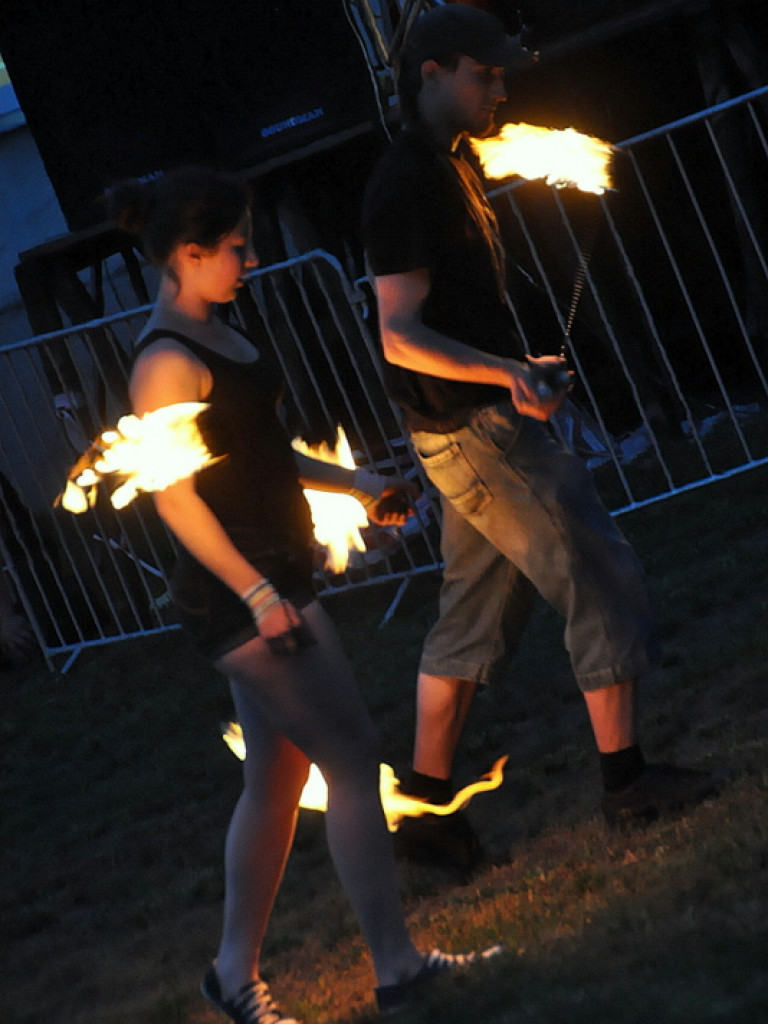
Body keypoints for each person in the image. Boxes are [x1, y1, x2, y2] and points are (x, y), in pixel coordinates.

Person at [115, 166, 498, 1024]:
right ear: (189, 253)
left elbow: (261, 452)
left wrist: (358, 483)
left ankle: (231, 974)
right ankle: (397, 970)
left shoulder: (215, 334)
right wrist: (256, 592)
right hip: (241, 594)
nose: (249, 259)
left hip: (271, 576)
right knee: (355, 760)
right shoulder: (166, 366)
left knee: (277, 783)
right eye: (236, 247)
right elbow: (175, 499)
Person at [362, 4, 720, 864]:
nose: (500, 86)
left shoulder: (449, 164)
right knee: (600, 574)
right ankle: (628, 786)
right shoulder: (406, 181)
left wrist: (512, 361)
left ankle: (429, 812)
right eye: (484, 73)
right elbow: (398, 333)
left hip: (465, 428)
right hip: (478, 436)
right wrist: (507, 377)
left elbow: (443, 317)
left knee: (472, 619)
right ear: (432, 73)